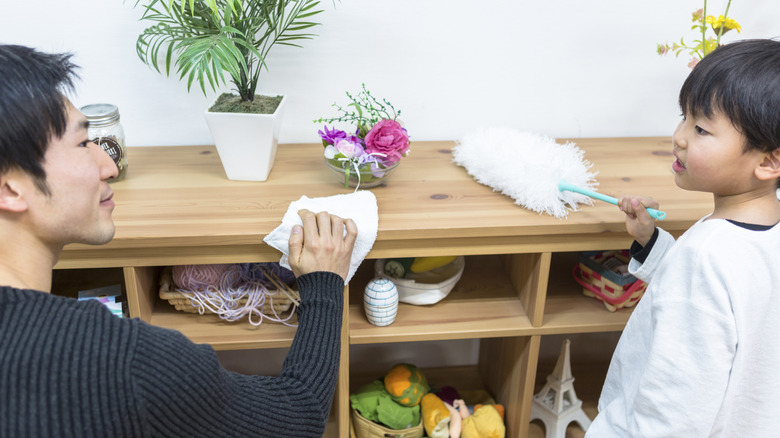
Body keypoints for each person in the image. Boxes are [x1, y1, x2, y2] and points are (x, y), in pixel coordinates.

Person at [0, 44, 358, 437]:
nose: (108, 166)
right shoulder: (122, 363)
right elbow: (298, 415)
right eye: (83, 144)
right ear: (11, 189)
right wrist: (324, 282)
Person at [587, 39, 780, 437]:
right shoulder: (750, 239)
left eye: (701, 128)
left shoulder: (706, 255)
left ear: (767, 161)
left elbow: (673, 407)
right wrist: (650, 240)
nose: (678, 136)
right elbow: (730, 299)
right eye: (684, 117)